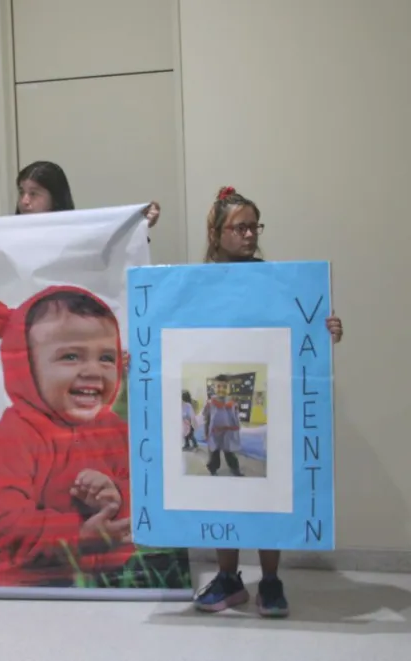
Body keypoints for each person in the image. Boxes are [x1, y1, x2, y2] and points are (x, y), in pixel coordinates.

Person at [193, 186, 343, 619]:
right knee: (226, 492)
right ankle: (228, 578)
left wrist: (326, 331)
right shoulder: (194, 284)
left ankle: (271, 579)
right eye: (240, 227)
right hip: (221, 384)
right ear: (216, 233)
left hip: (270, 391)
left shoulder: (279, 280)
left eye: (254, 227)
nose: (249, 235)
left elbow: (300, 330)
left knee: (269, 490)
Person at [0, 286, 133, 587]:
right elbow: (3, 523)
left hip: (118, 583)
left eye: (106, 358)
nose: (93, 371)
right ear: (25, 365)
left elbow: (146, 488)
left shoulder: (115, 430)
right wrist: (78, 535)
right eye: (71, 356)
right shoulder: (12, 440)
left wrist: (116, 496)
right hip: (33, 588)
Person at [0, 160, 161, 255]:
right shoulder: (5, 235)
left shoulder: (79, 233)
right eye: (21, 192)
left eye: (34, 194)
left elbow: (112, 254)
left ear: (55, 198)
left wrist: (139, 226)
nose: (24, 201)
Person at [202, 375, 243, 476]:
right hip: (214, 434)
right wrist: (206, 433)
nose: (221, 389)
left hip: (228, 434)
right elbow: (207, 419)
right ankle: (213, 469)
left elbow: (236, 418)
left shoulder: (233, 403)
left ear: (229, 388)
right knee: (214, 454)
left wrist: (237, 430)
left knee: (230, 454)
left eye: (225, 387)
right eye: (218, 386)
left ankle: (235, 469)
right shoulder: (210, 404)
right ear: (214, 387)